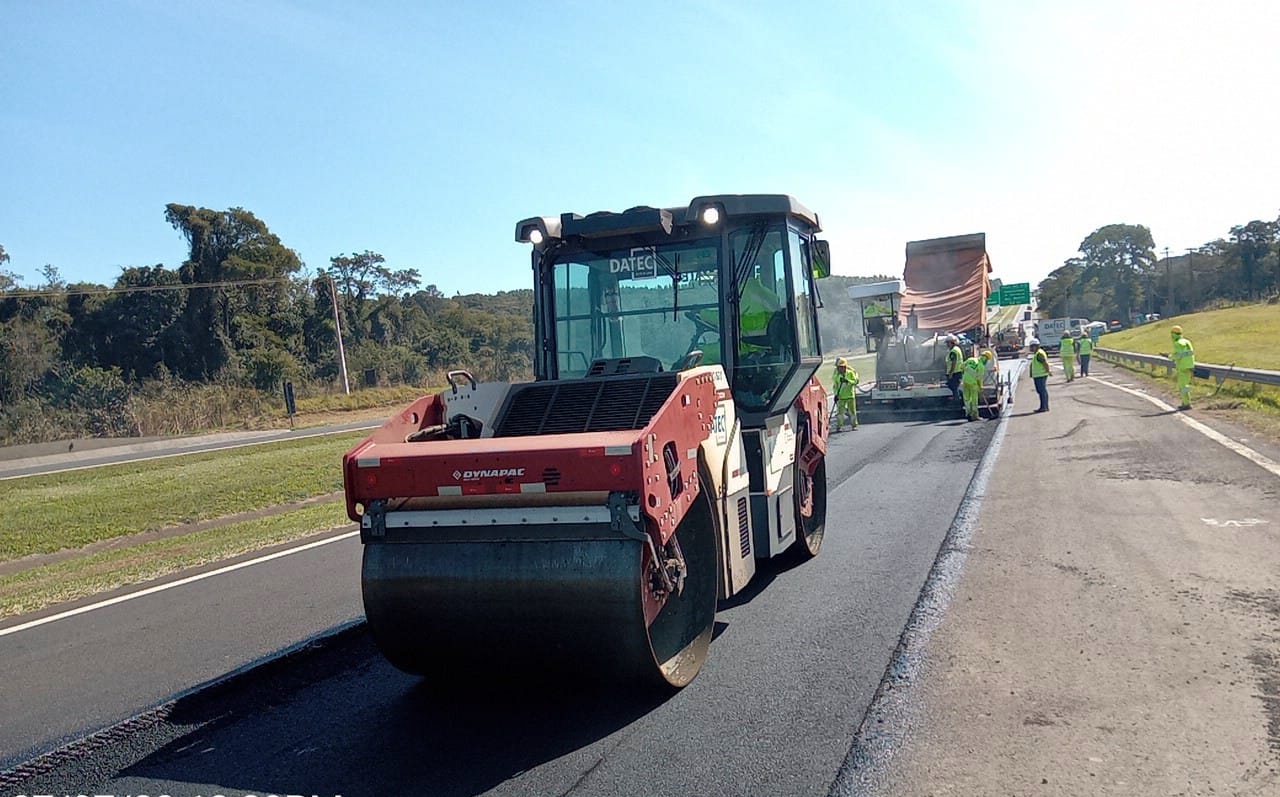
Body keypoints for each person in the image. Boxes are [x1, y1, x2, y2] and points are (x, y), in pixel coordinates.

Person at [1169, 324, 1195, 409]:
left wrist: (1170, 357)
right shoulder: (1187, 341)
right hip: (1190, 365)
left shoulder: (1177, 343)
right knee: (1186, 385)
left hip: (1182, 366)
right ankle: (1186, 402)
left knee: (1183, 386)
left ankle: (1186, 403)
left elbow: (1178, 355)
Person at [961, 350, 992, 421]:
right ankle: (975, 415)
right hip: (973, 384)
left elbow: (961, 366)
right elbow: (979, 378)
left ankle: (968, 414)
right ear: (986, 358)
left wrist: (966, 373)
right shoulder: (981, 366)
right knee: (974, 399)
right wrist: (980, 387)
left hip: (965, 381)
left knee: (967, 399)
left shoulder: (971, 359)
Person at [832, 357, 859, 431]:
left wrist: (848, 381)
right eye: (838, 367)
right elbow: (835, 386)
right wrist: (836, 395)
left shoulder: (850, 373)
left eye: (840, 367)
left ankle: (854, 425)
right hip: (841, 397)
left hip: (850, 396)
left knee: (852, 412)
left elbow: (855, 381)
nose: (839, 369)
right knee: (840, 413)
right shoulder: (837, 375)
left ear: (844, 367)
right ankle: (839, 426)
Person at [1028, 337, 1051, 412]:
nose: (1030, 348)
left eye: (1031, 346)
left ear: (1035, 346)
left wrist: (1048, 371)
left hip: (1041, 375)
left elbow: (1045, 363)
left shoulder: (1039, 354)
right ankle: (1043, 406)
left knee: (1042, 391)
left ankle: (1044, 407)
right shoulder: (1037, 353)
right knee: (1040, 391)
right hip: (1038, 375)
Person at [945, 334, 964, 402]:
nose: (946, 344)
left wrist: (951, 373)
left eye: (947, 343)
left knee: (953, 386)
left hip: (955, 372)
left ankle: (957, 398)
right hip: (958, 371)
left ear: (951, 342)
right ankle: (957, 396)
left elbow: (954, 363)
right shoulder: (957, 349)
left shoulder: (953, 351)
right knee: (953, 386)